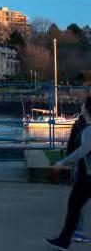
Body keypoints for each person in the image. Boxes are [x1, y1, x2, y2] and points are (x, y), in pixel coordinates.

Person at [47, 97, 91, 249]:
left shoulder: (88, 129)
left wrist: (63, 162)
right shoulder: (83, 126)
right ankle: (65, 239)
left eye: (83, 104)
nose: (81, 106)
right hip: (84, 175)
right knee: (74, 207)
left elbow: (83, 150)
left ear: (87, 109)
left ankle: (65, 240)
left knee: (74, 207)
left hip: (87, 177)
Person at [68, 112, 91, 244]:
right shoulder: (82, 125)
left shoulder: (78, 124)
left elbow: (72, 145)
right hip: (84, 169)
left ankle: (77, 231)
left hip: (81, 168)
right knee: (77, 202)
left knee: (77, 202)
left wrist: (68, 162)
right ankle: (77, 231)